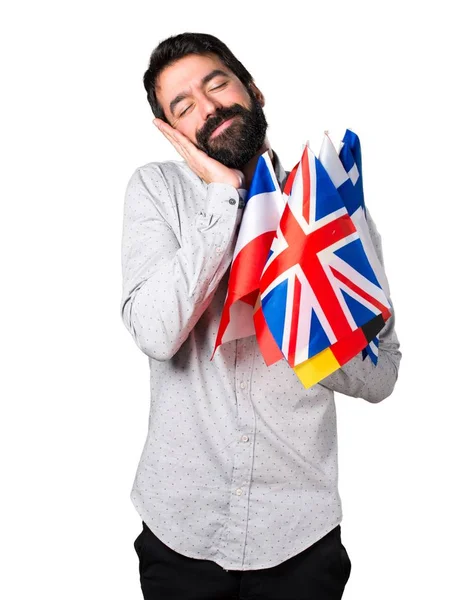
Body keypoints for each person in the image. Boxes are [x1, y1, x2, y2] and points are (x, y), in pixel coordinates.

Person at [120, 32, 402, 600]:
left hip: (300, 538)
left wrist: (309, 325)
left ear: (253, 90)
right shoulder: (156, 190)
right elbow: (155, 332)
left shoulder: (328, 207)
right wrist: (225, 197)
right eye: (183, 106)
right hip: (182, 534)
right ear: (176, 133)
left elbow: (383, 374)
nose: (208, 107)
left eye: (216, 84)